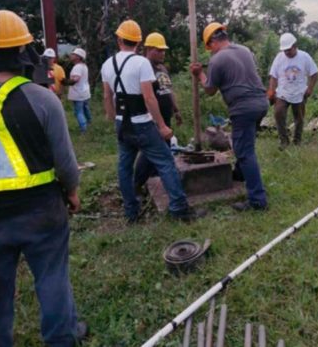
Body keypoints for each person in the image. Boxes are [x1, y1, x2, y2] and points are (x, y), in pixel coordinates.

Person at [0, 10, 87, 346]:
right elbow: (65, 162)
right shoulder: (41, 98)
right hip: (41, 210)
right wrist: (73, 192)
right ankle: (62, 339)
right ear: (24, 52)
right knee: (52, 279)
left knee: (1, 289)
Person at [102, 20, 203, 223]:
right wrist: (162, 126)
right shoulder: (140, 63)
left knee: (124, 166)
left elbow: (107, 96)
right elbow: (149, 98)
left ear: (119, 39)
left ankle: (131, 212)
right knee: (166, 162)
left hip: (123, 124)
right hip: (142, 122)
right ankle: (179, 209)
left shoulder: (107, 64)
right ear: (139, 42)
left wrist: (113, 117)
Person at [190, 23, 269, 211]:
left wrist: (200, 73)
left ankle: (257, 201)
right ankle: (240, 174)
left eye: (209, 48)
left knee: (244, 151)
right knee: (244, 143)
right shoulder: (244, 50)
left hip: (243, 107)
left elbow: (209, 89)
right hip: (261, 103)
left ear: (212, 42)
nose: (210, 52)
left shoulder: (218, 59)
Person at [134, 32, 183, 192]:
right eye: (159, 50)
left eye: (163, 50)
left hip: (166, 115)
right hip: (153, 119)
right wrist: (155, 120)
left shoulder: (162, 68)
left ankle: (155, 180)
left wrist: (176, 110)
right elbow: (145, 95)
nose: (162, 53)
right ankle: (136, 184)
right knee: (152, 152)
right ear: (148, 49)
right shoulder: (143, 67)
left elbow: (168, 90)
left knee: (165, 148)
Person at [267, 32, 318, 149]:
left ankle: (297, 141)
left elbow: (314, 74)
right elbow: (273, 76)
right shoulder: (279, 57)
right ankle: (284, 141)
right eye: (284, 50)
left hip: (299, 92)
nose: (286, 52)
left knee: (299, 118)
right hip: (283, 92)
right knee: (278, 113)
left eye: (289, 50)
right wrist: (271, 91)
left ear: (295, 46)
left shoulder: (304, 57)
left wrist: (310, 89)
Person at [66, 48, 91, 133]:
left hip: (78, 93)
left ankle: (83, 129)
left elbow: (76, 79)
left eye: (73, 54)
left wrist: (66, 82)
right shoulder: (84, 66)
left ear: (78, 57)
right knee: (85, 108)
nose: (71, 55)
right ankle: (89, 122)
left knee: (78, 112)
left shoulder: (77, 67)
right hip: (85, 92)